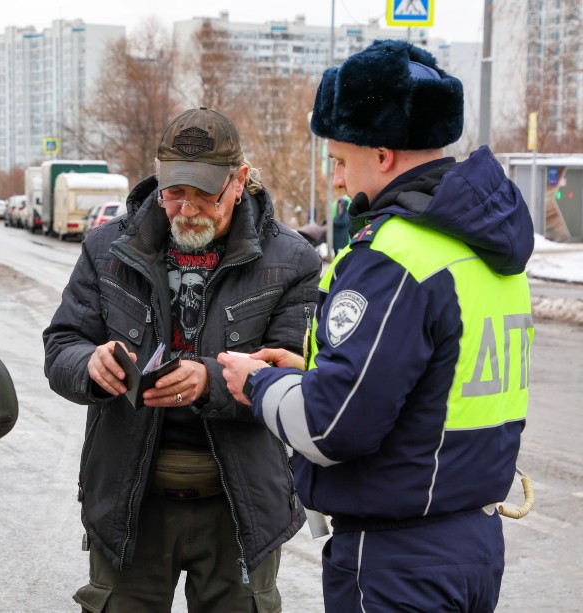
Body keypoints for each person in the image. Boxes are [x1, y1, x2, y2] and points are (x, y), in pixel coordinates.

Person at [218, 40, 535, 612]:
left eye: (339, 160)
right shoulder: (487, 248)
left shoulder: (391, 256)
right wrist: (313, 372)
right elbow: (432, 386)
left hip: (398, 563)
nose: (337, 181)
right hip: (473, 547)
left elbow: (328, 427)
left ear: (382, 154)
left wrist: (257, 383)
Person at [43, 107, 321, 611]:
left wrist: (212, 379)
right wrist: (90, 365)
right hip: (129, 505)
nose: (187, 207)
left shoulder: (292, 261)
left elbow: (296, 375)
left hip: (239, 510)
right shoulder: (108, 248)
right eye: (175, 191)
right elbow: (61, 344)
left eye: (204, 192)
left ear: (239, 182)